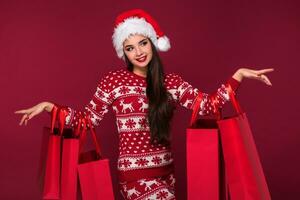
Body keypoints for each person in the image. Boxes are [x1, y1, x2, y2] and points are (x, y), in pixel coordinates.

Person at [15, 9, 274, 200]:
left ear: (152, 43)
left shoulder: (171, 83)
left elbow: (208, 105)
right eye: (129, 48)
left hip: (166, 173)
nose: (138, 51)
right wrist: (51, 108)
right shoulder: (113, 81)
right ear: (123, 52)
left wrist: (237, 76)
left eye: (142, 43)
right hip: (134, 178)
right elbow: (87, 120)